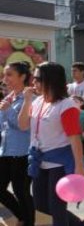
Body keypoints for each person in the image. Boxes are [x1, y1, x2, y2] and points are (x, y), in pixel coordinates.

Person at [18, 62, 84, 226]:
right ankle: (79, 224)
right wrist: (27, 100)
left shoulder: (66, 105)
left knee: (56, 209)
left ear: (51, 80)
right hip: (38, 162)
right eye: (33, 78)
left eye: (37, 79)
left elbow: (74, 137)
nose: (33, 82)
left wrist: (79, 167)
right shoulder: (37, 102)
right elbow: (23, 125)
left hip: (59, 165)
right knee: (42, 208)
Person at [0, 61, 35, 226]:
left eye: (9, 75)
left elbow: (24, 126)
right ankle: (22, 216)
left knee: (21, 191)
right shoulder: (9, 97)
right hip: (5, 151)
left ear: (22, 77)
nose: (5, 78)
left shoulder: (29, 98)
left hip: (22, 153)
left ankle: (27, 221)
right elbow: (3, 127)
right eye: (4, 74)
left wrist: (8, 110)